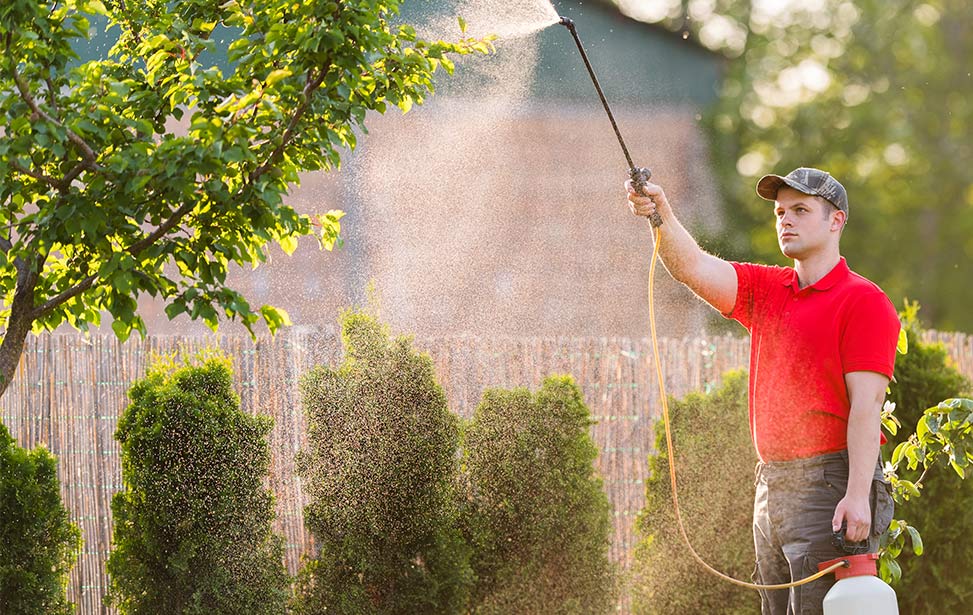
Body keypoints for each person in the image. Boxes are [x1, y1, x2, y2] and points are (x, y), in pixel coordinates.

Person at [626, 167, 899, 614]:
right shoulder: (768, 289)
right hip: (770, 483)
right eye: (780, 212)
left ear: (836, 221)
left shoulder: (863, 301)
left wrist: (855, 495)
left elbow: (866, 408)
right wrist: (662, 215)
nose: (785, 220)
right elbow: (692, 266)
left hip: (829, 485)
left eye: (800, 210)